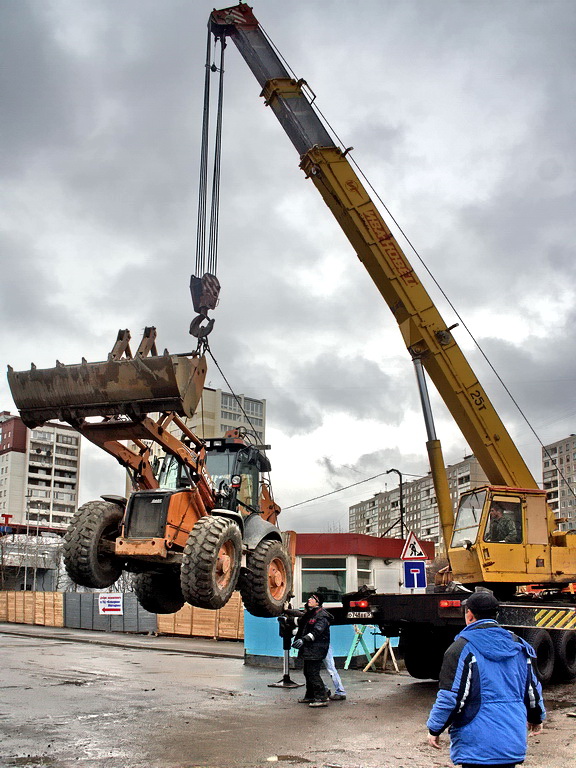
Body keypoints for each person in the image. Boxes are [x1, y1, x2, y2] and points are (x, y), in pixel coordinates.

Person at [426, 590, 545, 768]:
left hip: (476, 746)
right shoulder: (518, 646)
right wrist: (536, 718)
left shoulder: (461, 648)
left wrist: (435, 728)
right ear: (495, 615)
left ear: (470, 615)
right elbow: (532, 690)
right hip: (511, 741)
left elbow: (452, 696)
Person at [291, 593, 332, 707]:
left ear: (318, 602)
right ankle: (310, 695)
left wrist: (303, 640)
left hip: (317, 649)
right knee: (307, 672)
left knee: (313, 673)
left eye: (312, 598)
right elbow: (301, 622)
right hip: (310, 649)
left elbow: (317, 631)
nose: (309, 599)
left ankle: (321, 697)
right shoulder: (310, 614)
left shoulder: (322, 615)